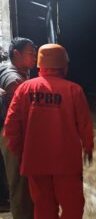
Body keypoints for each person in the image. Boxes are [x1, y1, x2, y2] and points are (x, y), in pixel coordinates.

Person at [3, 43, 94, 219]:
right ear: (63, 65)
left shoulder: (24, 89)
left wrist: (22, 155)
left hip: (35, 164)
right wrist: (88, 148)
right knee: (73, 208)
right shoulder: (74, 90)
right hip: (67, 165)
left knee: (43, 208)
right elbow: (85, 125)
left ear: (40, 65)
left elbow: (11, 127)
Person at [0, 38, 36, 217]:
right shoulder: (14, 79)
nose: (35, 57)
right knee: (20, 184)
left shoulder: (9, 68)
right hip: (11, 135)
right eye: (31, 53)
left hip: (6, 133)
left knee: (12, 179)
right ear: (16, 54)